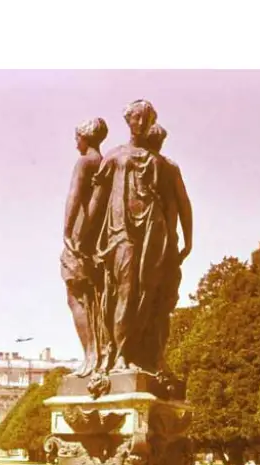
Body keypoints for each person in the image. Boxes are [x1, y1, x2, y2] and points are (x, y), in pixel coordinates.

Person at [85, 101, 193, 374]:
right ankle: (120, 355)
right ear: (128, 120)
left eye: (147, 118)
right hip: (121, 233)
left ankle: (142, 355)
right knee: (126, 291)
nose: (142, 123)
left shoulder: (162, 163)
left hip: (152, 234)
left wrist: (187, 238)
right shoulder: (115, 156)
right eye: (137, 117)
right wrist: (79, 239)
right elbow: (97, 201)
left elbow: (181, 203)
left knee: (148, 295)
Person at [61, 117, 109, 376]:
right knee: (95, 301)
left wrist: (68, 231)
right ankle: (99, 354)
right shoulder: (105, 164)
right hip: (97, 239)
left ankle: (91, 355)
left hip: (81, 236)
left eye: (77, 136)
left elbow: (74, 195)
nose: (75, 141)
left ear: (85, 138)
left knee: (76, 297)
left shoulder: (84, 162)